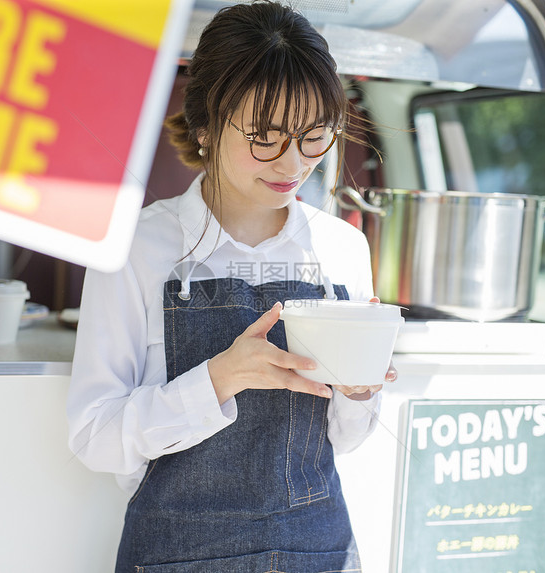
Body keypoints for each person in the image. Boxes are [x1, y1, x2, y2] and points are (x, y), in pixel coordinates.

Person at [67, 2, 396, 571]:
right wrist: (219, 379)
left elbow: (343, 441)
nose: (293, 162)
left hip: (315, 550)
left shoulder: (343, 250)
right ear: (206, 126)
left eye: (315, 136)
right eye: (265, 137)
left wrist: (360, 392)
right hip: (177, 556)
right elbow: (93, 434)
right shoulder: (135, 249)